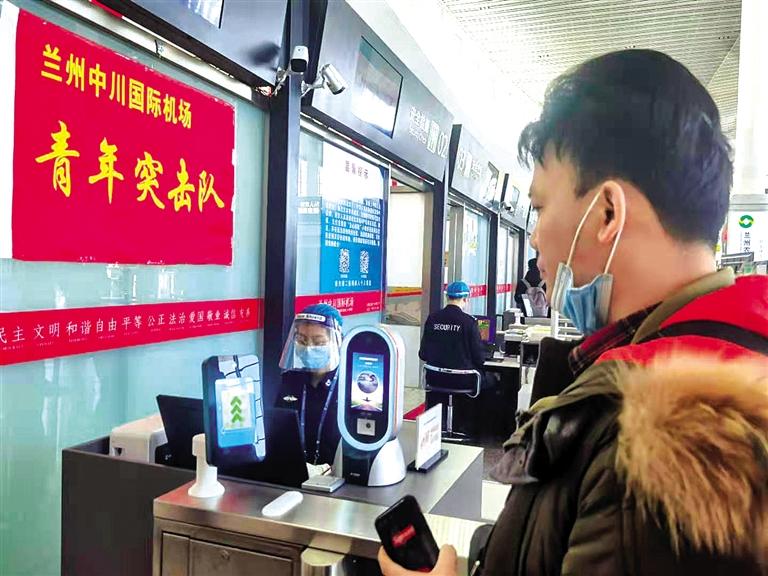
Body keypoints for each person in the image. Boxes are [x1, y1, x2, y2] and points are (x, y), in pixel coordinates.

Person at [380, 49, 767, 576]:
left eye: (540, 208)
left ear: (607, 212)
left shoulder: (667, 442)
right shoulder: (730, 361)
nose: (534, 238)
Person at [276, 303, 343, 468]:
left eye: (318, 342)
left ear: (337, 341)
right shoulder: (290, 380)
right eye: (302, 340)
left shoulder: (348, 386)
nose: (308, 348)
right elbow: (277, 431)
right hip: (293, 472)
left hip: (338, 474)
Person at [418, 281, 489, 435]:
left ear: (447, 297)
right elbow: (479, 358)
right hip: (463, 382)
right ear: (466, 299)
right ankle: (468, 429)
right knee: (491, 381)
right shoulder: (469, 322)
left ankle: (439, 428)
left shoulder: (433, 318)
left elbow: (423, 354)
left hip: (435, 379)